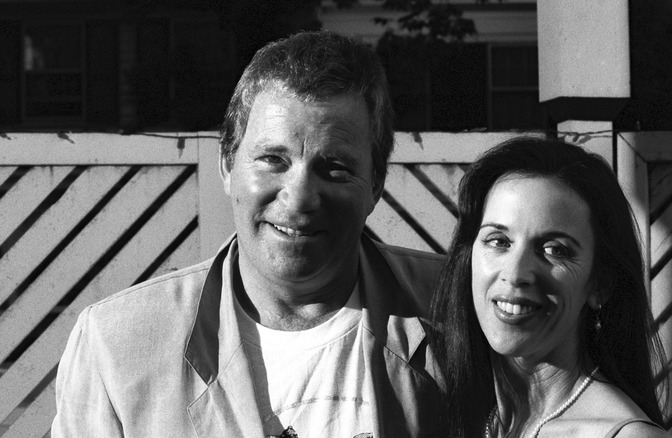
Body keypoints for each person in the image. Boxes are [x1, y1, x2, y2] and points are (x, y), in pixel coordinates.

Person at [52, 30, 446, 437]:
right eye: (273, 159)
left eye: (335, 168)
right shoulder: (117, 344)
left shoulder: (458, 312)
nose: (299, 199)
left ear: (376, 185)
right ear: (227, 165)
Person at [431, 137, 670, 438]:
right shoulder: (469, 419)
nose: (516, 274)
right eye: (499, 242)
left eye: (554, 250)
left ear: (601, 284)